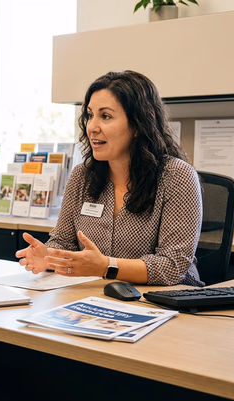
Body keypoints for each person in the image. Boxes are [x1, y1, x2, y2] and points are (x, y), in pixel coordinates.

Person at [16, 70, 203, 287]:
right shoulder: (81, 176)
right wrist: (49, 255)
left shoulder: (177, 177)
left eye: (105, 116)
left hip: (164, 303)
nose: (92, 127)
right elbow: (64, 242)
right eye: (89, 115)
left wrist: (106, 267)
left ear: (137, 125)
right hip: (97, 298)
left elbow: (173, 266)